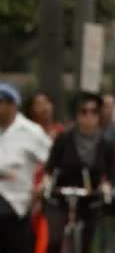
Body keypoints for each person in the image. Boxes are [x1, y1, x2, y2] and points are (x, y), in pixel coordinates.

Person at [43, 91, 115, 253]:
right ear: (77, 115)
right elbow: (50, 166)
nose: (88, 116)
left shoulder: (107, 143)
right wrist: (47, 182)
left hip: (90, 197)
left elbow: (112, 173)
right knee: (55, 239)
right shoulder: (64, 138)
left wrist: (106, 185)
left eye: (94, 111)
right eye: (83, 111)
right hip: (61, 195)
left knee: (88, 242)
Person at [0, 83, 51, 253]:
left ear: (12, 105)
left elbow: (53, 162)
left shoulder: (31, 132)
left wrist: (44, 184)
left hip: (16, 204)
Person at [24, 92, 65, 253]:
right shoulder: (25, 133)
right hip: (27, 194)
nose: (45, 107)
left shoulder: (62, 134)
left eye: (47, 102)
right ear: (31, 110)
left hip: (53, 196)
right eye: (39, 104)